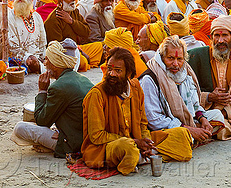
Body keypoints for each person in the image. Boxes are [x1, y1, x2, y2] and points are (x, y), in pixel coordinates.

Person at [81, 47, 193, 175]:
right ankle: (143, 156)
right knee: (127, 147)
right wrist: (134, 142)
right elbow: (97, 136)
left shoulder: (135, 87)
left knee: (182, 134)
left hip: (135, 141)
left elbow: (142, 124)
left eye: (118, 71)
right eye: (109, 69)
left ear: (128, 73)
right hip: (106, 147)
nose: (111, 74)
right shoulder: (97, 94)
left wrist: (146, 142)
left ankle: (143, 154)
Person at [11, 39, 94, 156]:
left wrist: (42, 90)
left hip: (72, 144)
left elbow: (42, 121)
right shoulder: (81, 78)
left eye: (47, 60)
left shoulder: (58, 87)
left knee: (20, 128)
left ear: (55, 65)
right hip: (84, 137)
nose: (44, 64)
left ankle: (54, 147)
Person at [139, 35, 225, 142]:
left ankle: (196, 133)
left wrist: (202, 119)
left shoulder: (185, 72)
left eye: (179, 59)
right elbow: (154, 119)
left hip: (186, 120)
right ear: (162, 57)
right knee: (181, 135)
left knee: (216, 115)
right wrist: (188, 129)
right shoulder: (150, 79)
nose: (175, 64)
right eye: (170, 58)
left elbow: (194, 104)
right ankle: (193, 134)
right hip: (165, 127)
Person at [187, 15, 231, 140]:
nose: (220, 40)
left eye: (225, 35)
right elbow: (186, 92)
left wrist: (226, 111)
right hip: (206, 110)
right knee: (219, 129)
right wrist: (209, 97)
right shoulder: (197, 56)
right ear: (212, 38)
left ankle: (228, 122)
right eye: (216, 36)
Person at [8, 0, 46, 74]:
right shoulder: (9, 17)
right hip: (21, 61)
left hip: (38, 60)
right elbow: (12, 47)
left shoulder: (36, 16)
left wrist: (42, 58)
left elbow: (42, 41)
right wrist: (27, 58)